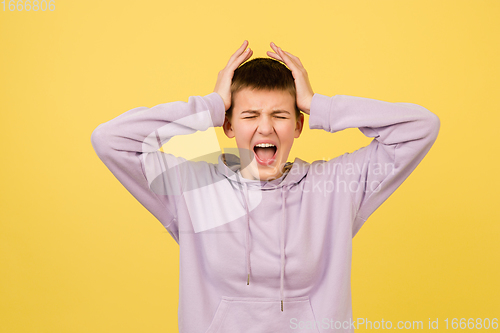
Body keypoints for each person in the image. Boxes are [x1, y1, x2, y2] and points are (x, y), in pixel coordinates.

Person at [91, 40, 440, 333]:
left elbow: (421, 127)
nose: (265, 128)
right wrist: (210, 106)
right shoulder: (193, 190)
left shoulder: (336, 187)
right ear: (228, 125)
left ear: (299, 125)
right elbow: (110, 139)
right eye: (250, 115)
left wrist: (320, 106)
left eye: (280, 115)